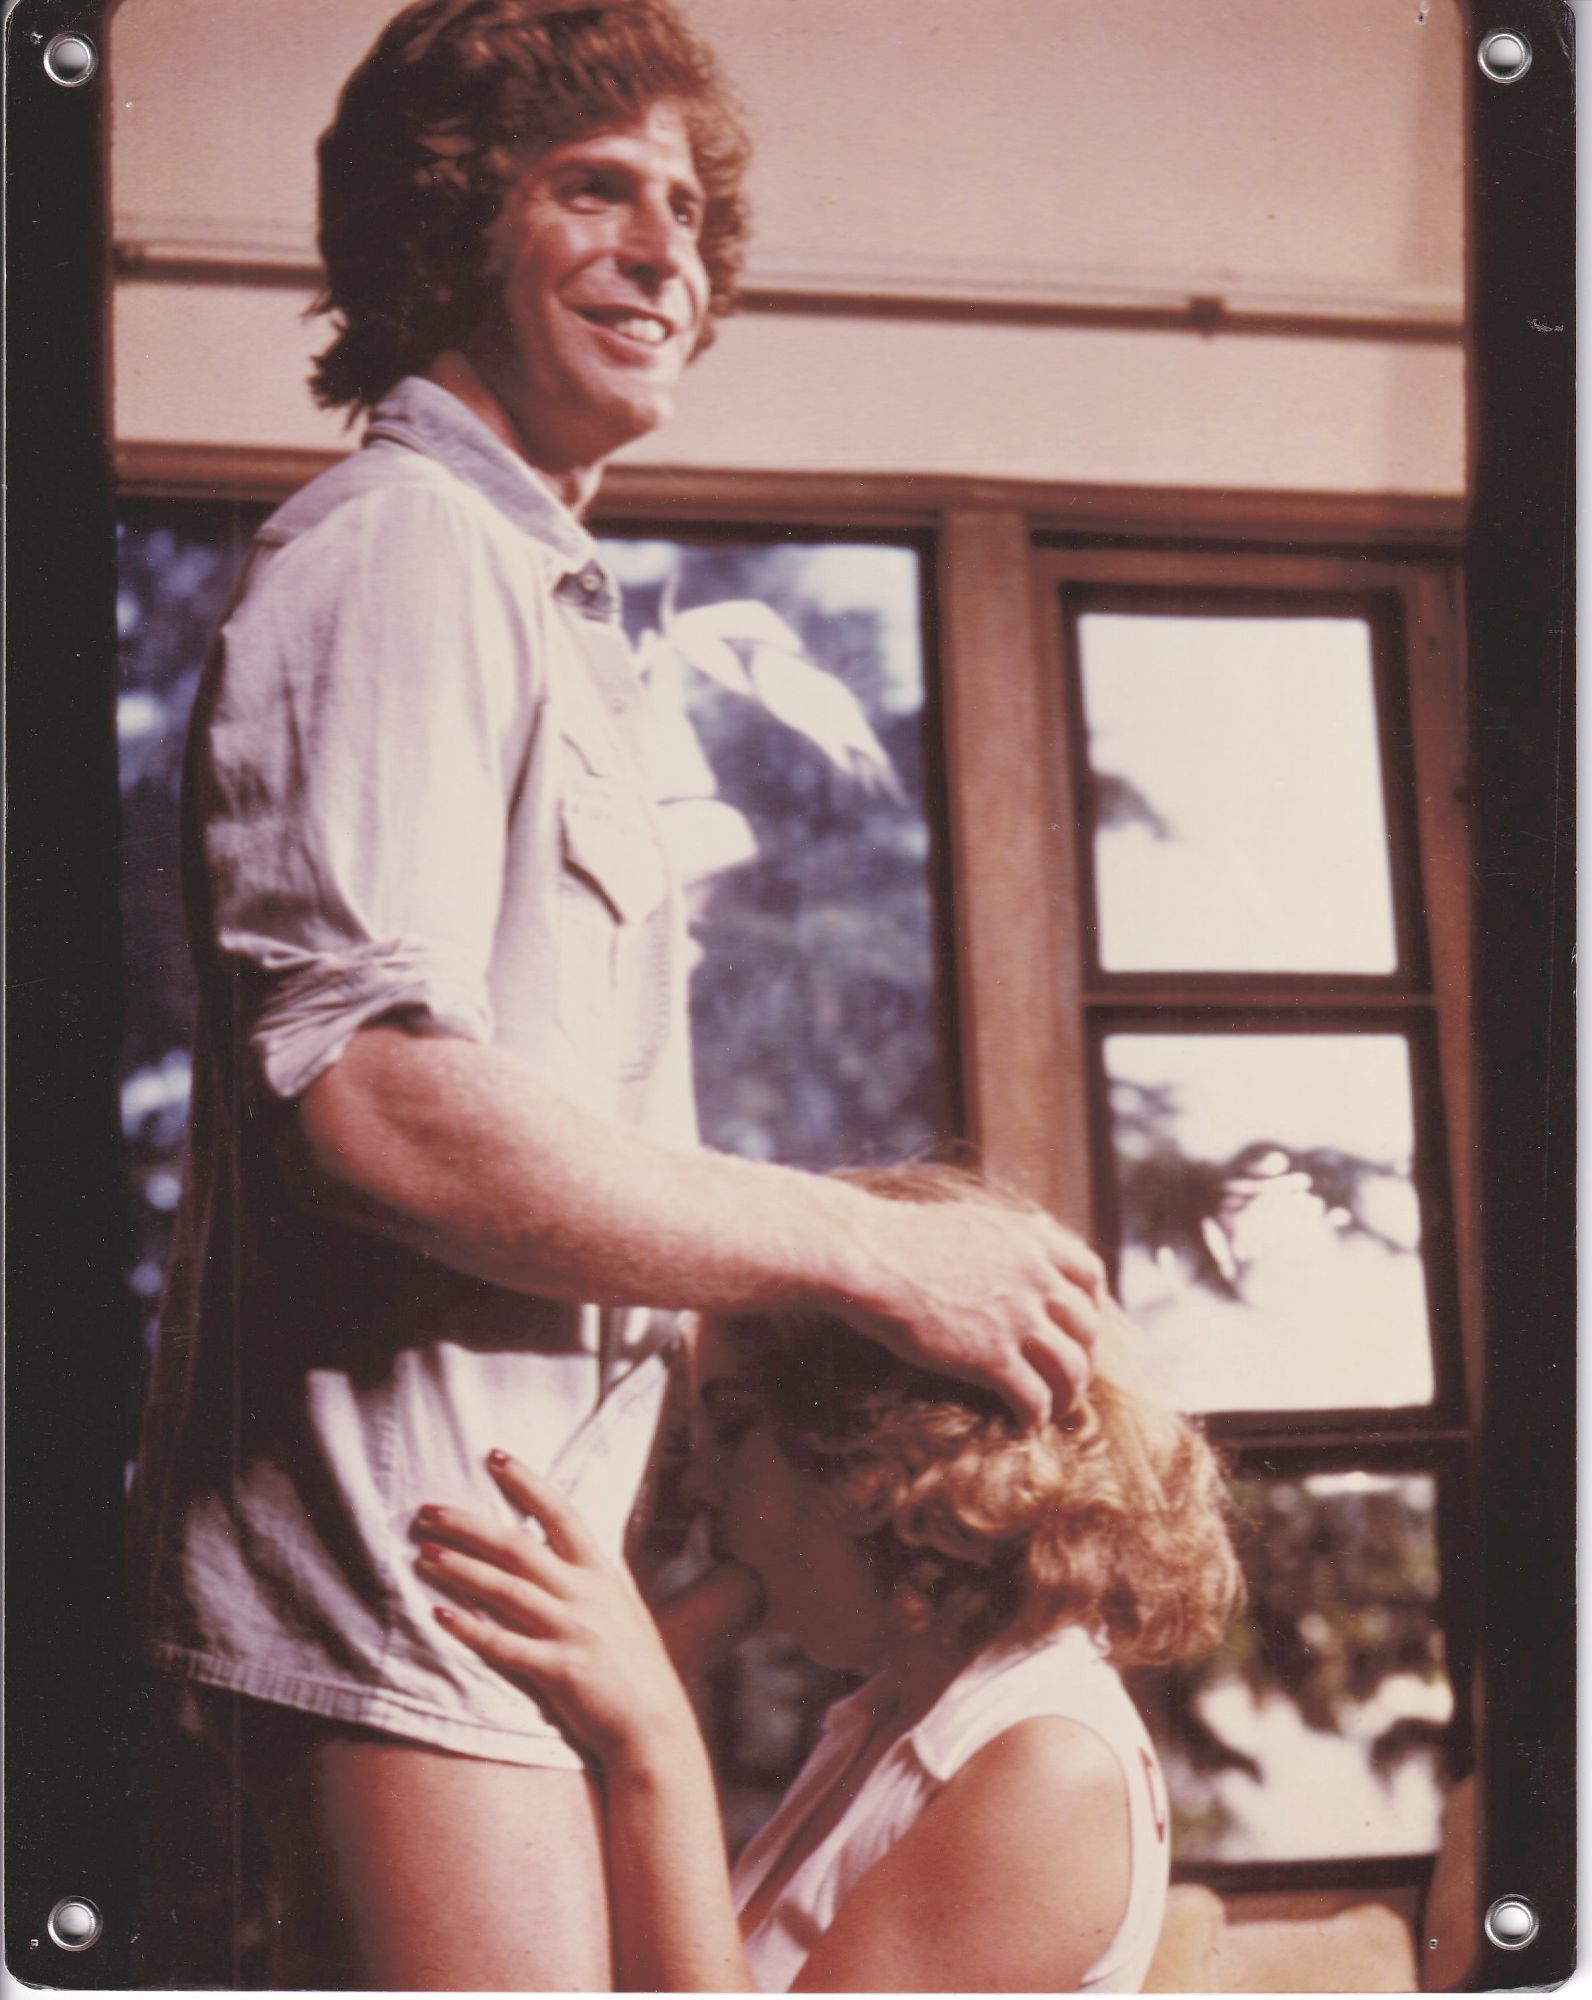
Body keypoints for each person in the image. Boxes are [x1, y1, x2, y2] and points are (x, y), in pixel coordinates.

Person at [126, 3, 1107, 1988]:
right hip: (410, 1571)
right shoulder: (400, 549)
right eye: (595, 192)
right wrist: (871, 1250)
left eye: (685, 210)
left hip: (498, 1574)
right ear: (449, 226)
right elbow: (371, 1102)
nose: (668, 252)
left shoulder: (535, 593)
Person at [414, 1168, 1243, 1992]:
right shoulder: (903, 1714)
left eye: (733, 1428)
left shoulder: (1050, 1767)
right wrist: (651, 1659)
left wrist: (652, 1736)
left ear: (877, 1454)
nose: (700, 1486)